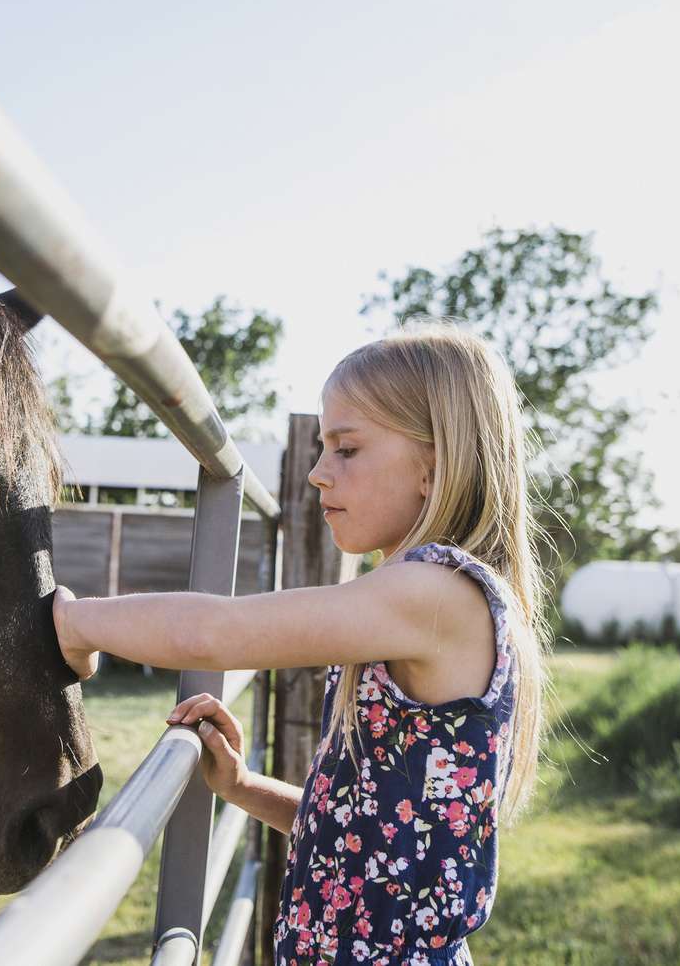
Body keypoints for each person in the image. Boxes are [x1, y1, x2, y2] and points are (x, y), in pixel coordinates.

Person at [52, 320, 551, 966]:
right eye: (322, 448)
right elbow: (368, 841)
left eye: (346, 449)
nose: (318, 474)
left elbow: (216, 633)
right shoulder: (422, 598)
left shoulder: (435, 595)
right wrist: (244, 787)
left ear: (433, 467)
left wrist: (78, 623)